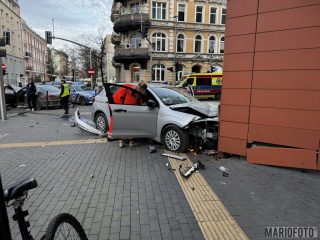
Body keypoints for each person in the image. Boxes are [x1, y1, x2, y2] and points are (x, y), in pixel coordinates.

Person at [118, 81, 147, 148]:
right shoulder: (139, 95)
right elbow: (141, 104)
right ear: (143, 89)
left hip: (125, 110)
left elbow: (121, 96)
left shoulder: (129, 90)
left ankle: (121, 142)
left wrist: (124, 103)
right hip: (132, 111)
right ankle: (131, 142)